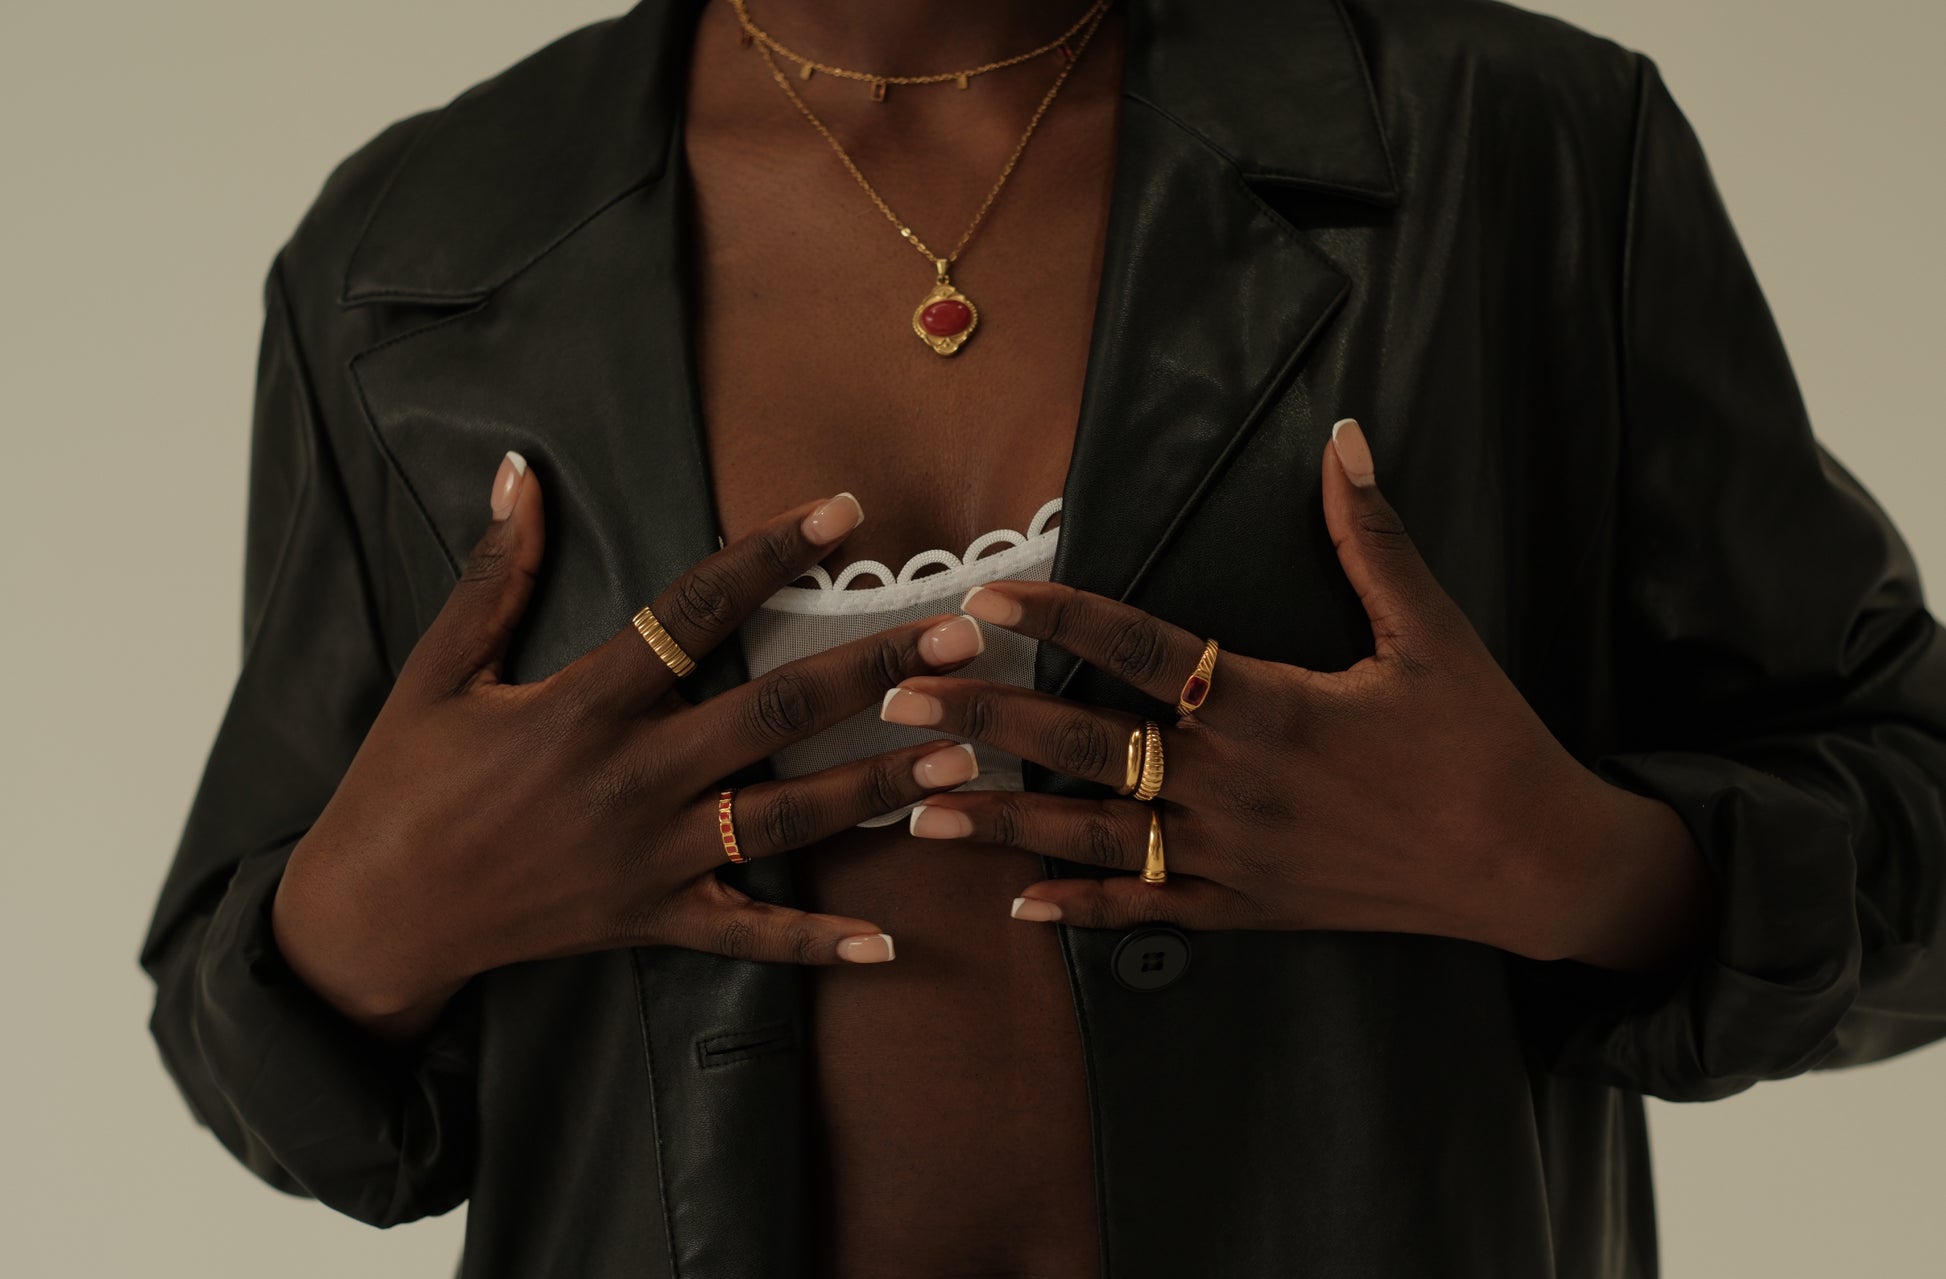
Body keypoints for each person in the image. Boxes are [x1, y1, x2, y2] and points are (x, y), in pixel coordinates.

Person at [138, 0, 1946, 1275]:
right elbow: (283, 1083)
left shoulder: (1517, 150)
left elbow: (1913, 817)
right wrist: (382, 914)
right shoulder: (414, 252)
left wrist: (1569, 867)